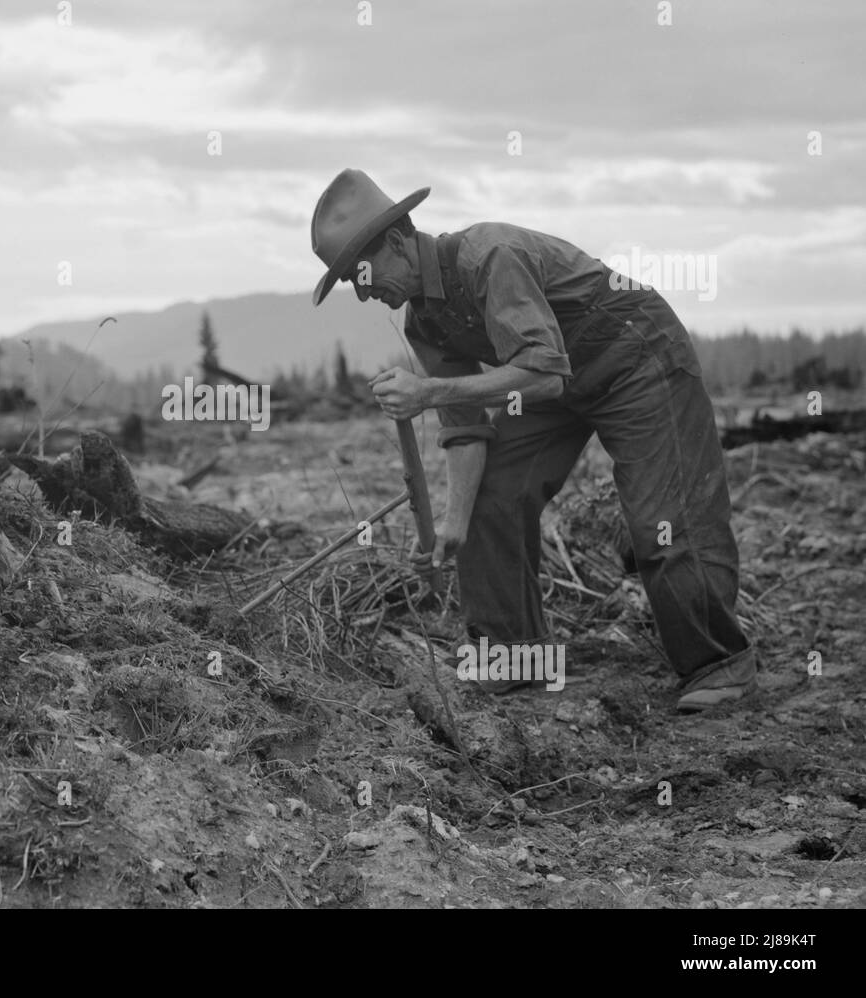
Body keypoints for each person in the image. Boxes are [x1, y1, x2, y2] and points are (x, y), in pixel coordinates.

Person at [310, 169, 757, 712]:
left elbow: (543, 373)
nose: (362, 293)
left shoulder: (488, 256)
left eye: (361, 274)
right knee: (490, 499)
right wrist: (454, 519)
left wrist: (427, 390)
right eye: (351, 285)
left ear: (400, 241)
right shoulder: (424, 324)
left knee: (663, 513)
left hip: (636, 357)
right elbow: (467, 426)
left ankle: (718, 664)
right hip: (555, 383)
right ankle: (515, 656)